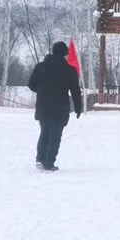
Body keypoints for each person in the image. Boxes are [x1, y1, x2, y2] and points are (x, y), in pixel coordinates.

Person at [28, 41, 83, 172]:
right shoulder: (69, 70)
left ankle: (40, 159)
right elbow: (75, 91)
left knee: (44, 133)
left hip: (43, 106)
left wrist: (42, 91)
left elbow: (31, 84)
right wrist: (78, 107)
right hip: (60, 107)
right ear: (64, 53)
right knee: (55, 135)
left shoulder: (40, 67)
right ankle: (49, 163)